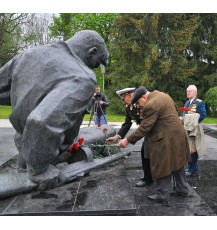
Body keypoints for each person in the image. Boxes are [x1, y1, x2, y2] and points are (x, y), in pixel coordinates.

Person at [0, 30, 109, 187]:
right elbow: (41, 121)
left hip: (23, 141)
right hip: (48, 155)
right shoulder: (83, 78)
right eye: (97, 63)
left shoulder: (28, 55)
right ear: (92, 52)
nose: (94, 67)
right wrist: (40, 170)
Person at [117, 86, 191, 205]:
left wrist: (127, 140)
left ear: (143, 97)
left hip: (166, 138)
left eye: (138, 102)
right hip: (178, 135)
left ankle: (162, 195)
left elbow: (145, 127)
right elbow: (174, 113)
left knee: (163, 165)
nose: (140, 106)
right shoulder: (163, 95)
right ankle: (182, 189)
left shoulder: (151, 104)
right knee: (178, 162)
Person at [106, 87, 153, 187]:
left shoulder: (144, 102)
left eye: (123, 99)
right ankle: (148, 177)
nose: (123, 102)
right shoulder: (129, 108)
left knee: (147, 153)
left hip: (153, 131)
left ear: (130, 95)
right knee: (145, 153)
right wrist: (117, 137)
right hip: (147, 133)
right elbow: (127, 124)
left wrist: (128, 140)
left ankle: (149, 178)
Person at [180, 85, 206, 176]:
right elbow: (184, 114)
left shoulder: (200, 102)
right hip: (187, 129)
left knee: (193, 149)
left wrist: (192, 122)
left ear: (195, 92)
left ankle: (192, 168)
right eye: (187, 91)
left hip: (195, 129)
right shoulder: (187, 103)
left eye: (189, 91)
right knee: (188, 148)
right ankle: (191, 167)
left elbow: (203, 115)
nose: (187, 93)